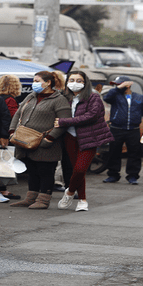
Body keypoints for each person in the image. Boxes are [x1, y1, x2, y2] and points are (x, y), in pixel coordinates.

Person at [9, 71, 71, 209]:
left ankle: (43, 200)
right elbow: (18, 114)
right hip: (26, 141)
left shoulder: (58, 99)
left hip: (46, 143)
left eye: (37, 81)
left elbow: (64, 122)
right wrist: (12, 131)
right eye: (34, 80)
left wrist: (49, 139)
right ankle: (30, 198)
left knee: (46, 171)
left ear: (48, 83)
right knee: (32, 170)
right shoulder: (32, 96)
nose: (34, 83)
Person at [55, 71, 114, 212]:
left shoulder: (93, 97)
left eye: (79, 80)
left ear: (85, 82)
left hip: (89, 137)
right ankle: (82, 200)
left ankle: (69, 192)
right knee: (76, 170)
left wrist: (65, 121)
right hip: (70, 137)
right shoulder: (64, 97)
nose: (75, 83)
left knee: (80, 169)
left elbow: (91, 116)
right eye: (72, 79)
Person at [102, 76, 143, 185]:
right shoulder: (115, 96)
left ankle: (132, 176)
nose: (117, 86)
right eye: (117, 85)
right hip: (116, 129)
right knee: (114, 152)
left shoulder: (140, 98)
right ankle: (113, 175)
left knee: (135, 153)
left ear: (128, 85)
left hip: (133, 130)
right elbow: (106, 98)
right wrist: (118, 89)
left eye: (119, 84)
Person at [0, 74, 23, 199]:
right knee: (3, 161)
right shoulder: (10, 100)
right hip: (3, 134)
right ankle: (2, 189)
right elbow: (12, 117)